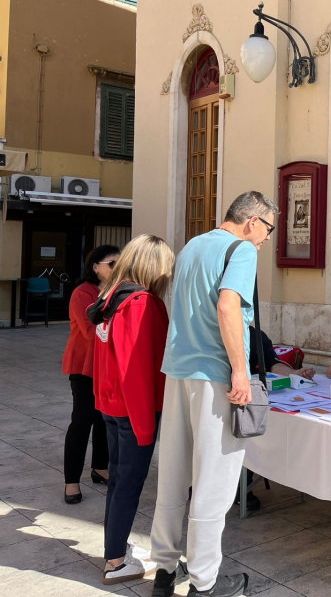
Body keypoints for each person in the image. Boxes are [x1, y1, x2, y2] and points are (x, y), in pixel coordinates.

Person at [150, 191, 277, 597]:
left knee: (173, 474)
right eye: (269, 229)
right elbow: (227, 308)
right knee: (215, 482)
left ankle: (165, 571)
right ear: (252, 221)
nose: (268, 239)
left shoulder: (191, 246)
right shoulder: (241, 249)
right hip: (212, 375)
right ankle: (204, 583)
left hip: (178, 371)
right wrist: (239, 371)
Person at [87, 235, 175, 585]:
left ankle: (115, 550)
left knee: (119, 483)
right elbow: (136, 368)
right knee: (127, 484)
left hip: (112, 405)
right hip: (134, 409)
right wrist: (144, 425)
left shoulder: (111, 297)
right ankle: (116, 561)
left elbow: (107, 360)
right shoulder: (140, 302)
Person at [62, 244, 119, 505]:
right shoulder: (82, 293)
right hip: (85, 366)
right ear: (95, 267)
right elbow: (90, 329)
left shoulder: (118, 290)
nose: (117, 268)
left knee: (104, 420)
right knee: (82, 421)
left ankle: (100, 467)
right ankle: (71, 480)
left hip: (107, 366)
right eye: (112, 263)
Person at [239, 326, 316, 511]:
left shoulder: (254, 334)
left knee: (254, 422)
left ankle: (242, 487)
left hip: (247, 399)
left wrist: (295, 373)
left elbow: (273, 364)